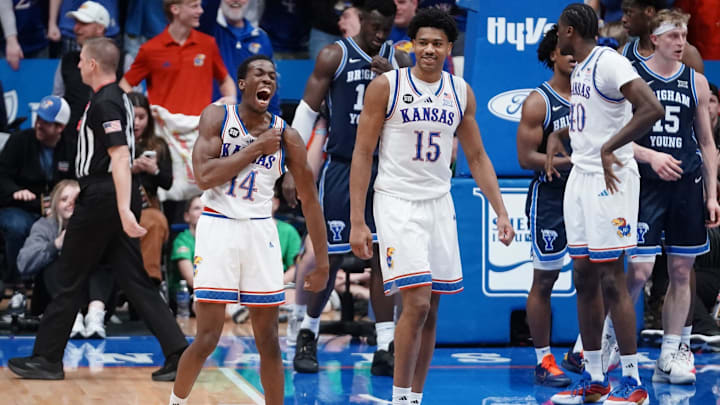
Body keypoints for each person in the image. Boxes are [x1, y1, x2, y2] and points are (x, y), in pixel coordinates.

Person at [350, 8, 514, 405]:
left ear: (448, 48)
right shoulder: (386, 86)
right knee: (417, 301)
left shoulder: (460, 92)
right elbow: (362, 153)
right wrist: (358, 220)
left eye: (437, 43)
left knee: (432, 309)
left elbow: (476, 156)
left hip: (439, 201)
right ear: (411, 44)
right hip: (396, 201)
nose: (429, 49)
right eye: (422, 42)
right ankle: (399, 395)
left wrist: (501, 210)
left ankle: (414, 397)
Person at [7, 37, 188, 382]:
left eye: (81, 61)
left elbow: (120, 157)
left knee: (69, 276)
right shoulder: (114, 98)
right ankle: (179, 352)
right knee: (135, 280)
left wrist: (122, 208)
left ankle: (46, 359)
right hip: (108, 194)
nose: (76, 66)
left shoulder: (106, 101)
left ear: (92, 64)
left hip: (104, 196)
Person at [168, 54, 329, 405]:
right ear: (242, 83)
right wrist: (255, 149)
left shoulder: (288, 137)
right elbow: (204, 175)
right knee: (208, 337)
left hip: (260, 231)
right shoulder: (217, 116)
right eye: (258, 73)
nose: (267, 79)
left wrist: (323, 260)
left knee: (268, 340)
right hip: (218, 226)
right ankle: (176, 402)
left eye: (272, 75)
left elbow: (310, 201)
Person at [545, 3, 664, 404]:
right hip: (580, 176)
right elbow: (595, 117)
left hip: (610, 179)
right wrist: (559, 132)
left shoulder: (609, 62)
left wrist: (613, 146)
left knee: (613, 278)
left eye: (560, 28)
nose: (558, 33)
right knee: (583, 276)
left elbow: (651, 108)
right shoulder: (580, 68)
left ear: (569, 31)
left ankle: (633, 382)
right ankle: (594, 377)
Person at [288, 0, 412, 377]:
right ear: (360, 19)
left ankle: (385, 343)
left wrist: (394, 78)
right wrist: (293, 168)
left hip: (385, 171)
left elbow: (414, 111)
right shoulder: (333, 56)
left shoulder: (399, 62)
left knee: (382, 258)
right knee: (332, 257)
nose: (380, 34)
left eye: (386, 28)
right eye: (375, 26)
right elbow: (306, 113)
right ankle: (307, 332)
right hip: (341, 169)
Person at [622, 9, 720, 385]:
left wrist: (711, 195)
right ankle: (609, 339)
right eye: (674, 35)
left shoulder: (696, 82)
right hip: (646, 183)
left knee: (682, 271)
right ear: (656, 38)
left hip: (686, 184)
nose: (682, 42)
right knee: (640, 271)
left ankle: (670, 353)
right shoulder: (634, 78)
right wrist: (649, 155)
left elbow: (707, 142)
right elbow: (613, 137)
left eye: (685, 35)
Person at [516, 25, 574, 388]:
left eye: (577, 49)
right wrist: (573, 162)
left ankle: (587, 351)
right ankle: (543, 359)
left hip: (590, 195)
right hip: (552, 196)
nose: (572, 55)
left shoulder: (596, 96)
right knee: (545, 279)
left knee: (599, 277)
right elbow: (525, 158)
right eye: (564, 49)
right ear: (552, 54)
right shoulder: (540, 101)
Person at [17, 179, 115, 339]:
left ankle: (94, 315)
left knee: (104, 261)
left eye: (76, 200)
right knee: (53, 263)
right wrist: (55, 245)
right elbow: (23, 264)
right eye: (64, 199)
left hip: (92, 298)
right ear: (55, 204)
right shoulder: (45, 226)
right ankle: (71, 317)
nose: (70, 203)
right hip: (54, 299)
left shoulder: (96, 225)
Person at [0, 95, 73, 290]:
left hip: (57, 210)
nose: (39, 124)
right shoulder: (19, 141)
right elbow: (2, 175)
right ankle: (15, 281)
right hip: (19, 207)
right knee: (17, 226)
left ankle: (60, 284)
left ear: (60, 128)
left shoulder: (70, 148)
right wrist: (16, 191)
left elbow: (76, 182)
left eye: (46, 122)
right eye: (39, 118)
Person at [120, 0, 237, 116]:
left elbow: (225, 80)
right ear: (175, 9)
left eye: (200, 6)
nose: (200, 11)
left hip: (199, 128)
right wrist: (141, 109)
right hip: (163, 130)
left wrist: (231, 99)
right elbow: (125, 84)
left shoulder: (208, 44)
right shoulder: (150, 49)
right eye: (194, 6)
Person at [53, 1, 120, 174]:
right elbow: (58, 99)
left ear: (100, 28)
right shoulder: (68, 61)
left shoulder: (120, 61)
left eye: (83, 23)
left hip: (107, 146)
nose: (76, 28)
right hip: (70, 144)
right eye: (76, 23)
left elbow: (131, 103)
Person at [198, 0, 281, 115]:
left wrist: (275, 123)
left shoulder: (260, 37)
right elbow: (207, 7)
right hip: (213, 118)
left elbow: (269, 87)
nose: (236, 0)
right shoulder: (207, 30)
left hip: (249, 122)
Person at [128, 92, 173, 283]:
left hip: (147, 207)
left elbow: (168, 183)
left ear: (149, 117)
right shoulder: (116, 142)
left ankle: (148, 283)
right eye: (132, 116)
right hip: (117, 204)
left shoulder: (159, 145)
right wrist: (129, 169)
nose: (137, 123)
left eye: (141, 117)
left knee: (154, 221)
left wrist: (154, 170)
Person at [620, 0, 703, 73]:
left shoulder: (687, 54)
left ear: (649, 11)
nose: (623, 19)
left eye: (629, 13)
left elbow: (699, 89)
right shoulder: (622, 54)